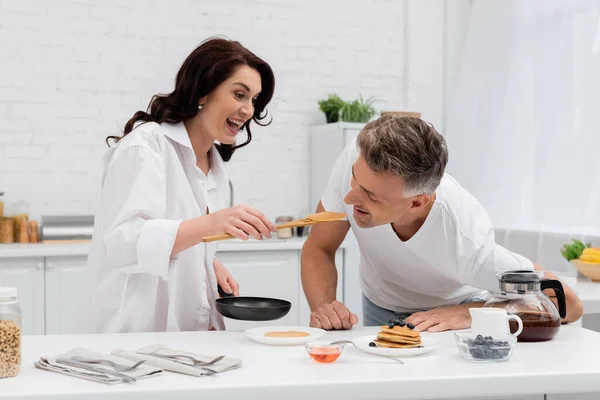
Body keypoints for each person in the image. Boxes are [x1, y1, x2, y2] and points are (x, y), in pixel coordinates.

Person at [301, 114, 584, 331]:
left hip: (451, 314)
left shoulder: (466, 237)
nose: (349, 198)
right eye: (354, 179)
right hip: (380, 303)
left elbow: (568, 303)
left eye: (371, 196)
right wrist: (326, 309)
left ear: (416, 202)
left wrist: (469, 313)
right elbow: (319, 248)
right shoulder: (358, 159)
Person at [79, 37, 277, 333]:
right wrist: (211, 224)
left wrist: (207, 263)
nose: (248, 110)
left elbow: (177, 238)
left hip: (189, 340)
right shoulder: (146, 147)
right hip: (132, 339)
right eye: (239, 95)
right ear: (203, 92)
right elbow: (124, 243)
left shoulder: (216, 168)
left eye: (254, 100)